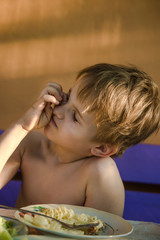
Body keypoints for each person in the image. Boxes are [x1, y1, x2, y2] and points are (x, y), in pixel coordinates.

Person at [0, 63, 159, 217]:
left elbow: (103, 233)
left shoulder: (100, 174)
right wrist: (22, 127)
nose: (59, 111)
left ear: (102, 148)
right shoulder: (29, 144)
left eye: (75, 117)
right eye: (67, 98)